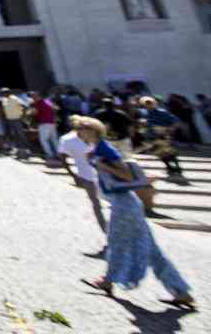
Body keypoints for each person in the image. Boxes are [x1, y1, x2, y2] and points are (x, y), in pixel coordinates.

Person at [79, 118, 196, 309]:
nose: (78, 134)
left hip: (124, 203)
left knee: (116, 241)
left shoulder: (104, 149)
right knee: (150, 249)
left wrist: (100, 165)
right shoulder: (97, 148)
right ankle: (181, 291)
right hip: (124, 202)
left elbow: (126, 175)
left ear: (90, 130)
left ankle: (107, 281)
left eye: (80, 130)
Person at [57, 116, 106, 233]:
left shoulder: (95, 136)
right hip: (86, 176)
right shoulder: (67, 140)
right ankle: (107, 234)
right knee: (96, 205)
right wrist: (74, 175)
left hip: (104, 174)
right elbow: (63, 159)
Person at [138, 96, 183, 176]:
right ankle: (169, 167)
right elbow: (144, 123)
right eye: (146, 103)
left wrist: (170, 130)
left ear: (154, 103)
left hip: (162, 134)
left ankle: (177, 167)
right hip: (151, 135)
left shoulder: (162, 112)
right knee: (158, 153)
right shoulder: (144, 112)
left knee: (169, 152)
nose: (148, 105)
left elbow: (176, 121)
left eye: (150, 103)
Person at [2, 90, 29, 159]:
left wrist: (23, 116)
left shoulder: (15, 98)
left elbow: (25, 106)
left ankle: (26, 148)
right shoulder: (4, 100)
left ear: (8, 93)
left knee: (20, 134)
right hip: (9, 120)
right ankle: (19, 149)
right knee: (15, 135)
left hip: (17, 119)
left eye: (4, 92)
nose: (3, 94)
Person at [32, 91, 59, 161]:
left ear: (37, 97)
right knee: (54, 140)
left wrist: (33, 114)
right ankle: (59, 154)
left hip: (44, 124)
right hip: (52, 123)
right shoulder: (48, 101)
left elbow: (35, 113)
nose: (33, 98)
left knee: (44, 140)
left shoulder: (37, 104)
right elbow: (56, 108)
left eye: (34, 97)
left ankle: (50, 155)